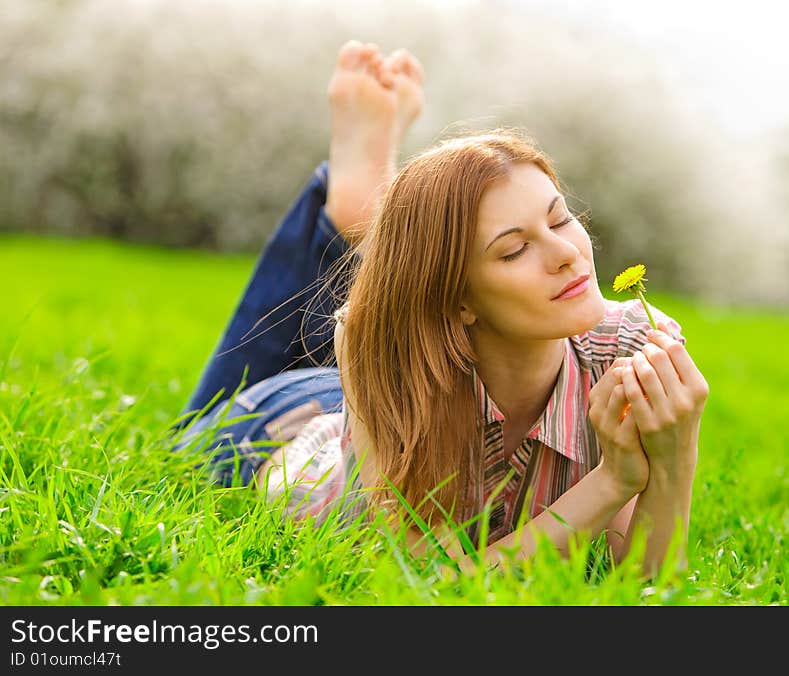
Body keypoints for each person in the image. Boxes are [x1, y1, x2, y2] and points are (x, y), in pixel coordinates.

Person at [175, 40, 709, 578]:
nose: (568, 253)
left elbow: (640, 579)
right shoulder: (381, 357)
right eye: (515, 249)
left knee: (372, 329)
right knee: (186, 439)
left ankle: (361, 214)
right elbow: (431, 584)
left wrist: (675, 450)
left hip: (403, 378)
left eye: (560, 218)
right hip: (285, 429)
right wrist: (611, 481)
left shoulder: (632, 354)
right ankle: (348, 212)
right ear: (455, 298)